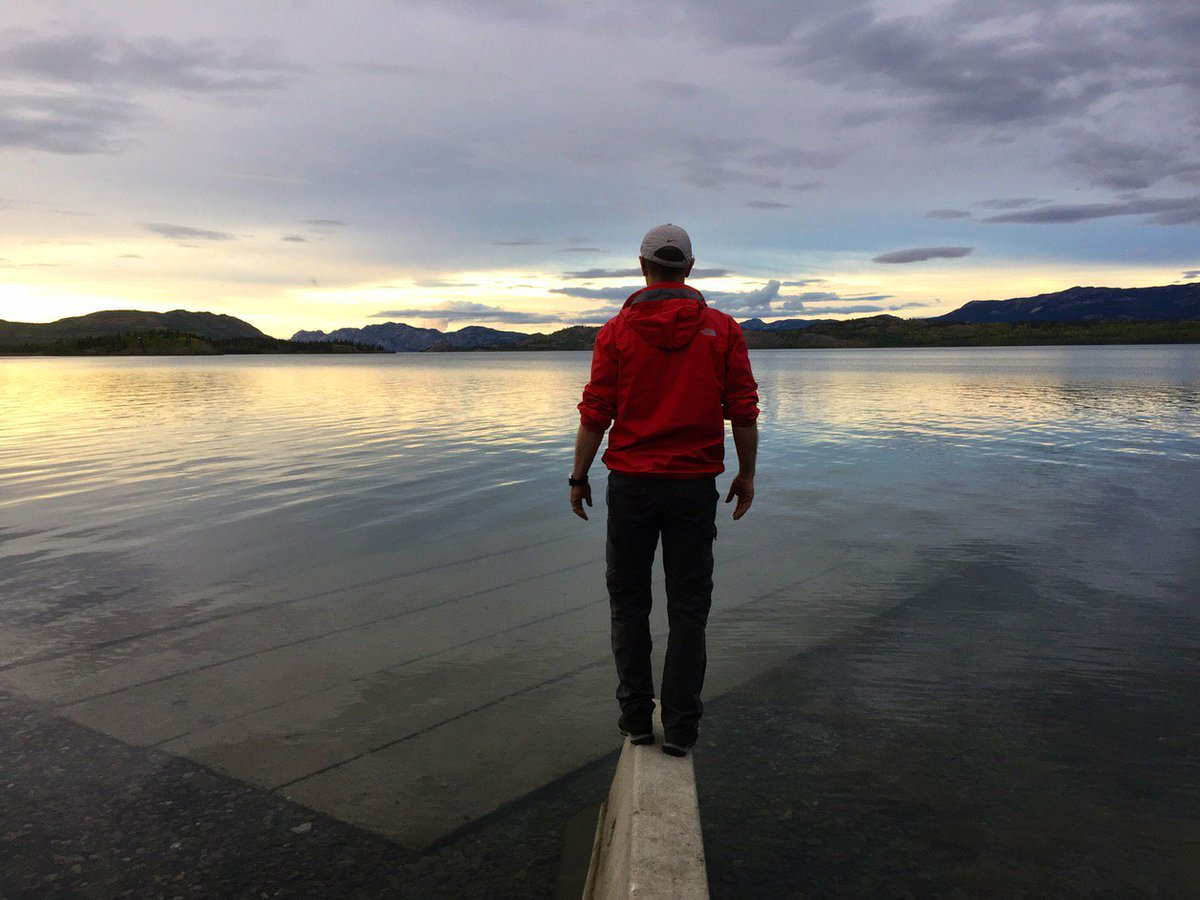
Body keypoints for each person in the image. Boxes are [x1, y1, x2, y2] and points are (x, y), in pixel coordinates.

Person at [569, 223, 759, 757]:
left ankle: (635, 720)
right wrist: (746, 474)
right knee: (689, 608)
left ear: (642, 266)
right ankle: (680, 730)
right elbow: (742, 410)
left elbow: (595, 413)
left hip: (630, 486)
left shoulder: (615, 332)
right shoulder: (722, 330)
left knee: (628, 604)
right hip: (693, 489)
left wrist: (578, 476)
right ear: (690, 269)